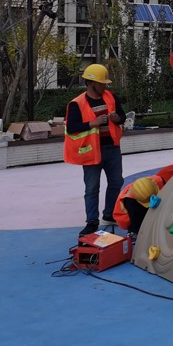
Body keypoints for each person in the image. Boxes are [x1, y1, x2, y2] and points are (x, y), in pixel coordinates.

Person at [64, 63, 126, 239]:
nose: (105, 86)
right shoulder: (77, 103)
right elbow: (72, 127)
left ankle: (109, 214)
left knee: (116, 182)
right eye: (102, 83)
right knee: (92, 187)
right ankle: (92, 222)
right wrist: (93, 123)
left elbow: (122, 117)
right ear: (90, 83)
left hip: (112, 148)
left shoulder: (111, 97)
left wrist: (117, 118)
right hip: (91, 151)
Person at [113, 164, 173, 237]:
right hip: (129, 217)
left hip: (143, 203)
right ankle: (134, 235)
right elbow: (132, 225)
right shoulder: (130, 202)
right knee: (139, 229)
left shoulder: (157, 181)